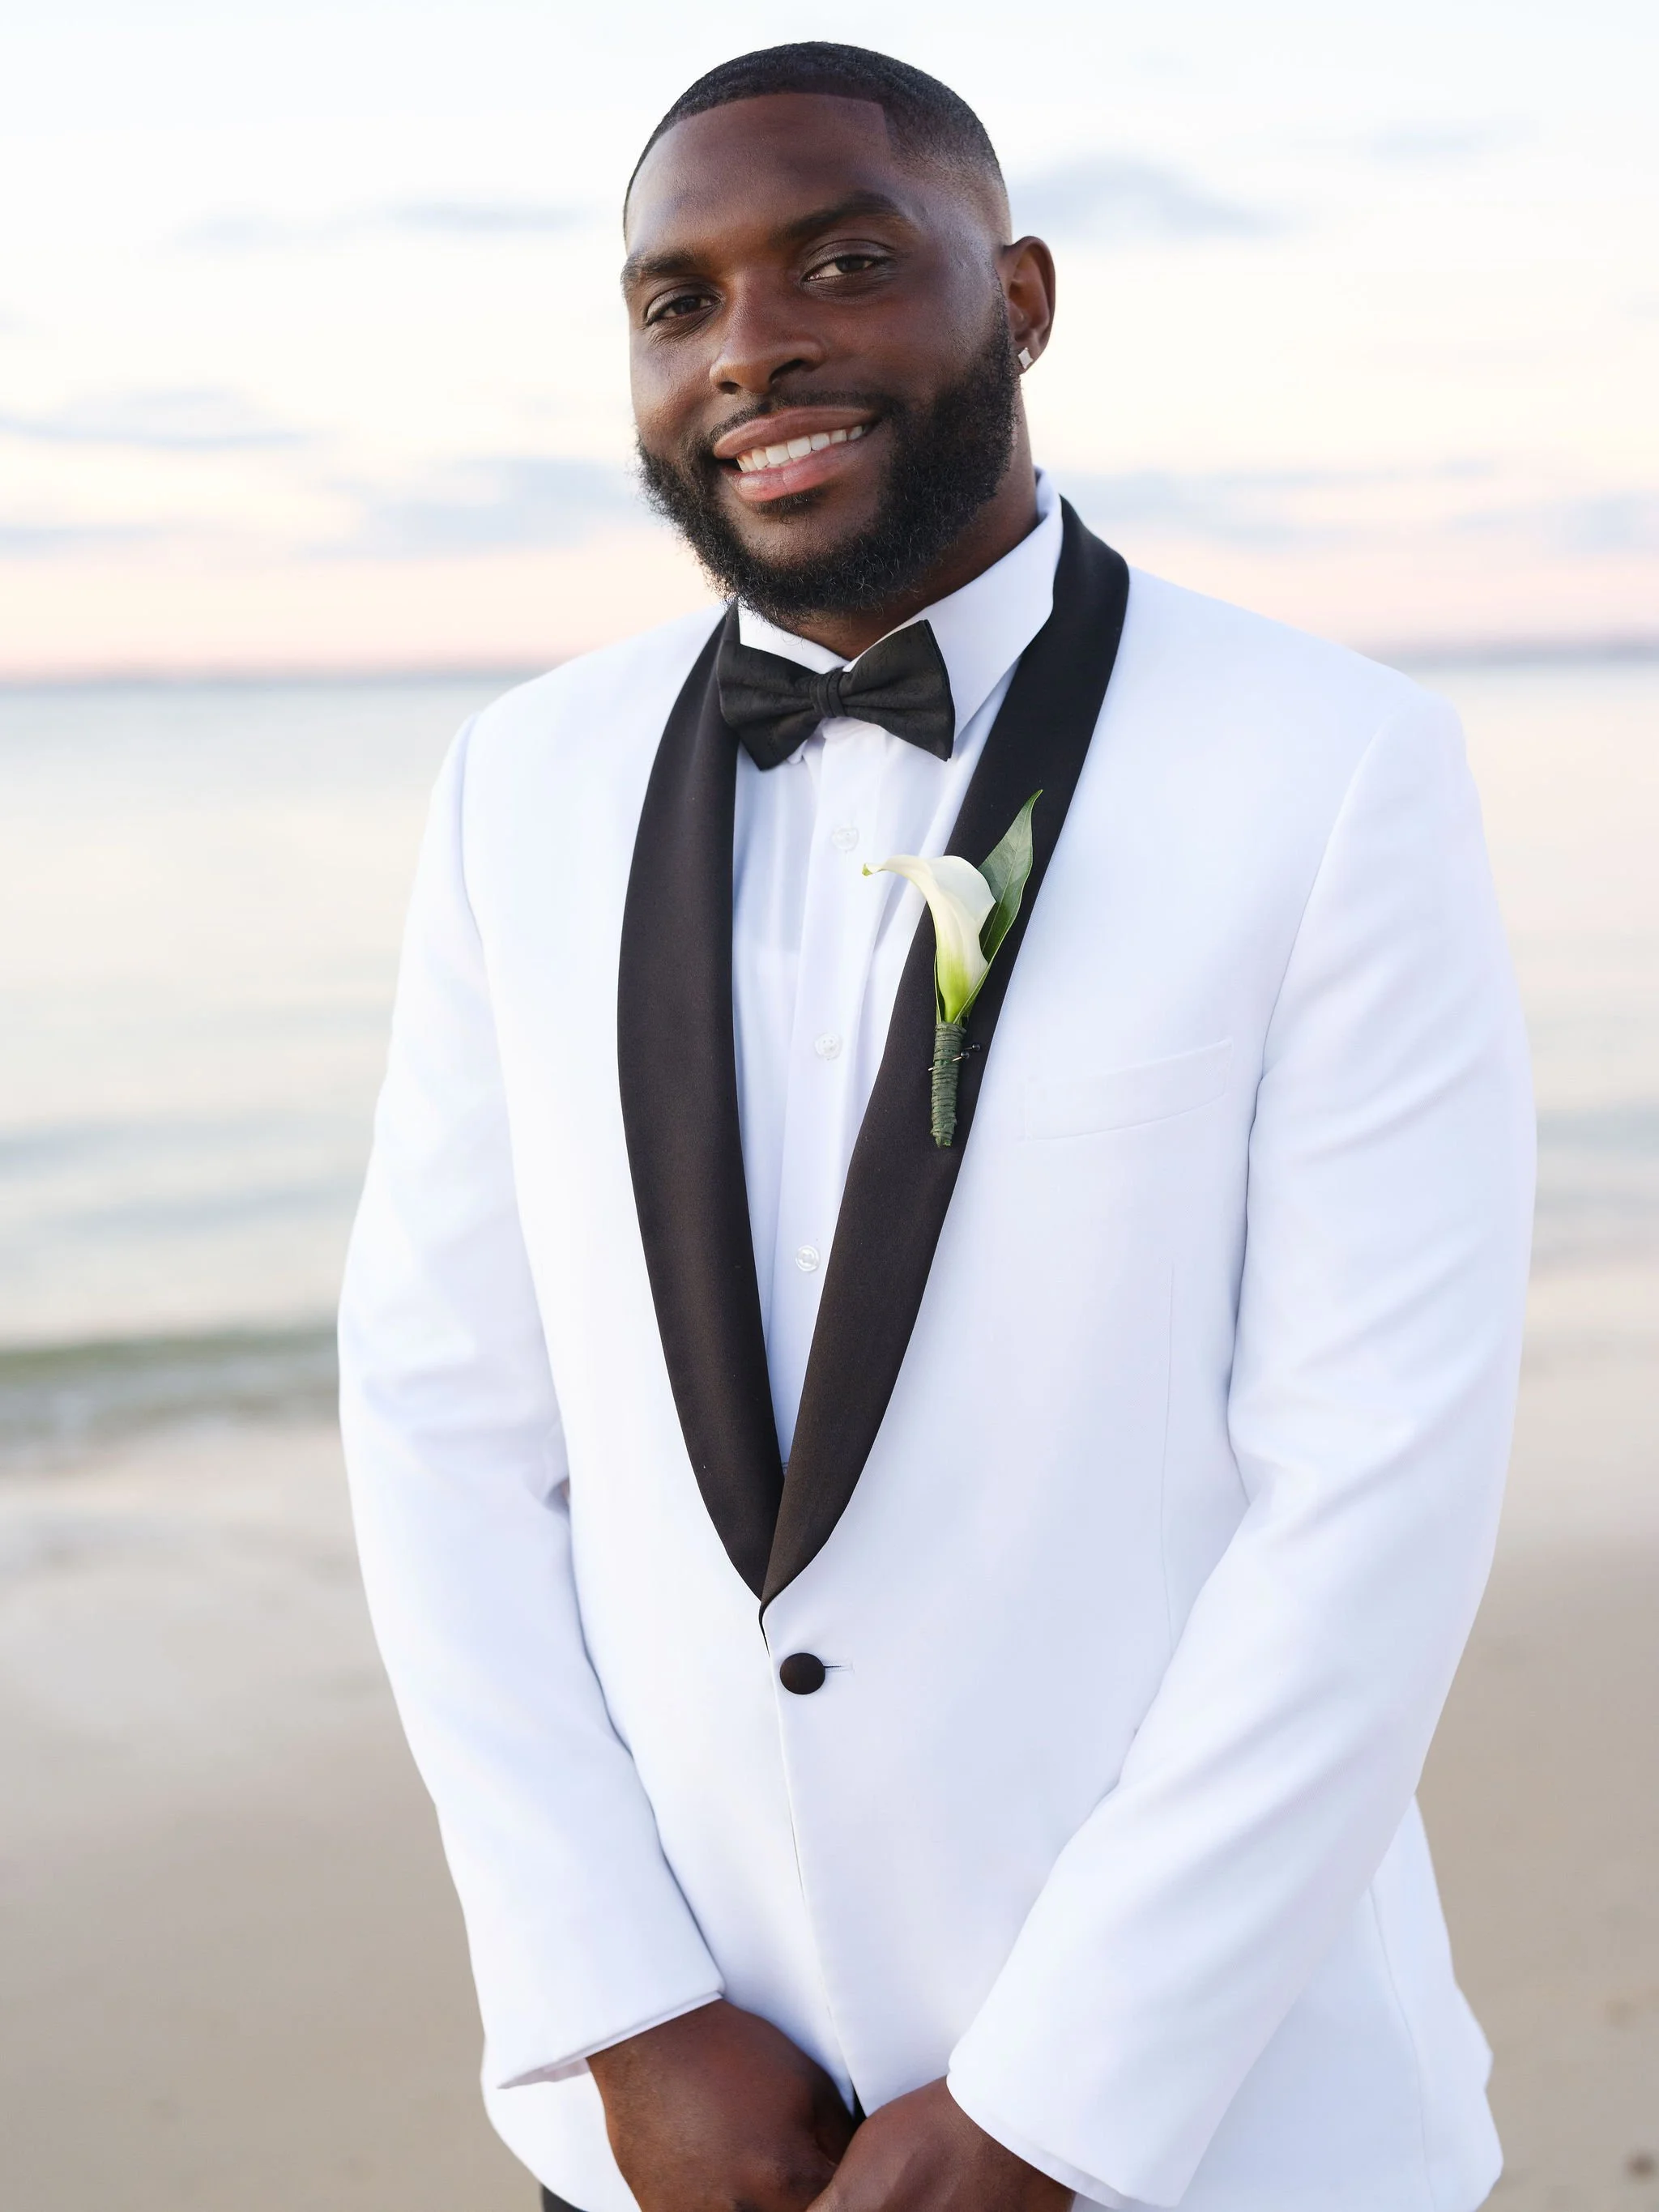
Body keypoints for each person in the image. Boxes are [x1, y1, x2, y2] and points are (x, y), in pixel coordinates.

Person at [339, 42, 1534, 2212]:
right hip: (685, 2122)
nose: (751, 347)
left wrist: (1056, 2105)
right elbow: (440, 1419)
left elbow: (1371, 1496)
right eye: (672, 299)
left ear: (1027, 298)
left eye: (845, 261)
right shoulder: (515, 783)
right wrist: (613, 2004)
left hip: (1217, 2126)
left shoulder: (1332, 767)